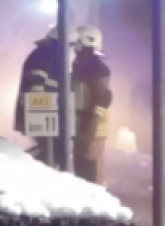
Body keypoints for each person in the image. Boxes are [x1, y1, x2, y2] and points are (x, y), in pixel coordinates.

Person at [14, 27, 66, 166]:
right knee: (50, 149)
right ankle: (27, 166)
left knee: (50, 148)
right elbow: (36, 81)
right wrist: (42, 112)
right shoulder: (46, 54)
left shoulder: (44, 52)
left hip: (47, 111)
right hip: (47, 111)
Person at [72, 25, 113, 185]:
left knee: (89, 162)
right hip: (87, 123)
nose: (74, 47)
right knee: (86, 161)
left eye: (77, 42)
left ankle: (95, 194)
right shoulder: (86, 64)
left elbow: (103, 97)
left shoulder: (94, 67)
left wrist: (91, 121)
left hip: (91, 125)